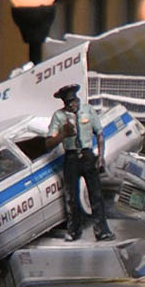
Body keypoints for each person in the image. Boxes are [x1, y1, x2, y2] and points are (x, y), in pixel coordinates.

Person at [47, 84, 113, 242]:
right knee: (71, 197)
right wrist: (63, 134)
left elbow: (100, 133)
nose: (72, 105)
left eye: (74, 100)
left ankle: (102, 230)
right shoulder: (58, 116)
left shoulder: (88, 110)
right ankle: (74, 230)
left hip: (88, 155)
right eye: (68, 103)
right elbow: (48, 143)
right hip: (71, 158)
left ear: (77, 98)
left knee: (96, 195)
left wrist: (101, 156)